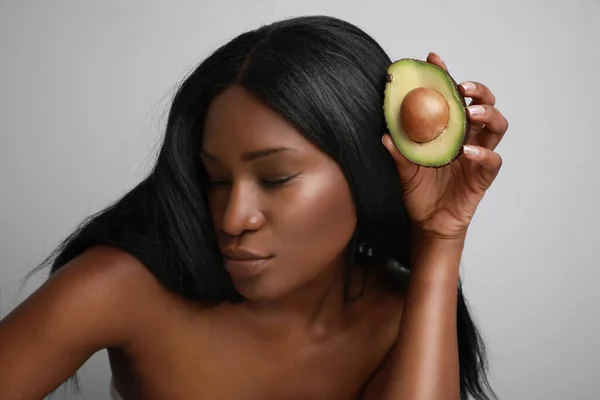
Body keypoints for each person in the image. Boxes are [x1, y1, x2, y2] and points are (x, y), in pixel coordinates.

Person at [0, 15, 507, 400]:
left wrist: (441, 238)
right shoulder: (119, 288)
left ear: (365, 168)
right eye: (215, 178)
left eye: (276, 177)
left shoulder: (398, 315)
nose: (233, 218)